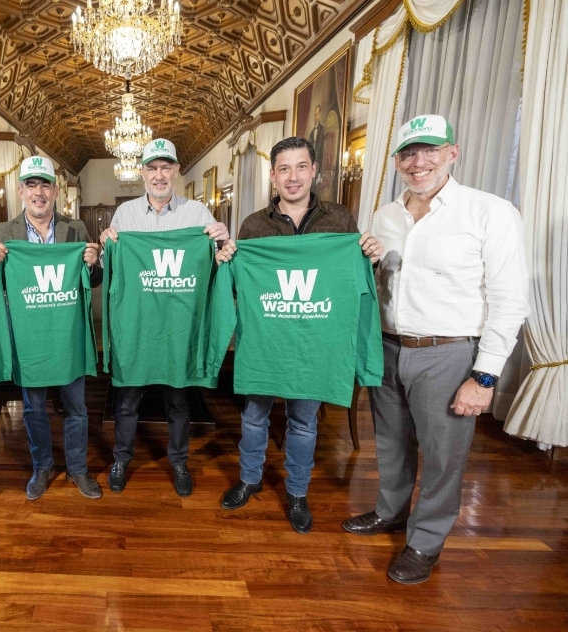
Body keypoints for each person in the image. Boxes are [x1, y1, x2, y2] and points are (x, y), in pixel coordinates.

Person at [341, 115, 530, 584]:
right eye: (409, 153)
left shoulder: (490, 212)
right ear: (397, 161)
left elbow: (510, 301)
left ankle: (425, 540)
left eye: (430, 150)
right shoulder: (384, 216)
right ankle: (391, 511)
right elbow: (375, 283)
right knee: (391, 442)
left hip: (448, 353)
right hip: (388, 346)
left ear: (452, 152)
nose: (419, 162)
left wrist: (484, 376)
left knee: (444, 454)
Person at [214, 137, 382, 534]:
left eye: (301, 167)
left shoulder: (339, 220)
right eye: (284, 169)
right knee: (254, 417)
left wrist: (371, 258)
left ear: (314, 171)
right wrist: (226, 261)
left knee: (303, 422)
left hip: (314, 341)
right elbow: (240, 286)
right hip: (266, 339)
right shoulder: (254, 225)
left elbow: (352, 278)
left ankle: (297, 492)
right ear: (273, 176)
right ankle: (250, 479)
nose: (293, 176)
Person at [99, 138, 229, 497]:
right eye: (152, 168)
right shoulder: (125, 215)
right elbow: (111, 270)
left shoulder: (198, 214)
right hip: (138, 326)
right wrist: (107, 244)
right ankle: (121, 459)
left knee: (179, 401)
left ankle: (179, 461)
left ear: (176, 171)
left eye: (166, 167)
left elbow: (219, 264)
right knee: (127, 400)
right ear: (142, 172)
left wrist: (223, 241)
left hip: (177, 327)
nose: (159, 175)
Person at [0, 156, 103, 500]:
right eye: (31, 185)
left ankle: (78, 468)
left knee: (77, 407)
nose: (39, 192)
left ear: (56, 191)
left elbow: (94, 279)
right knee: (34, 408)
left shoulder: (75, 228)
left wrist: (93, 264)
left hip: (68, 333)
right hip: (29, 335)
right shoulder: (2, 232)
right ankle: (42, 466)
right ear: (20, 190)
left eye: (45, 185)